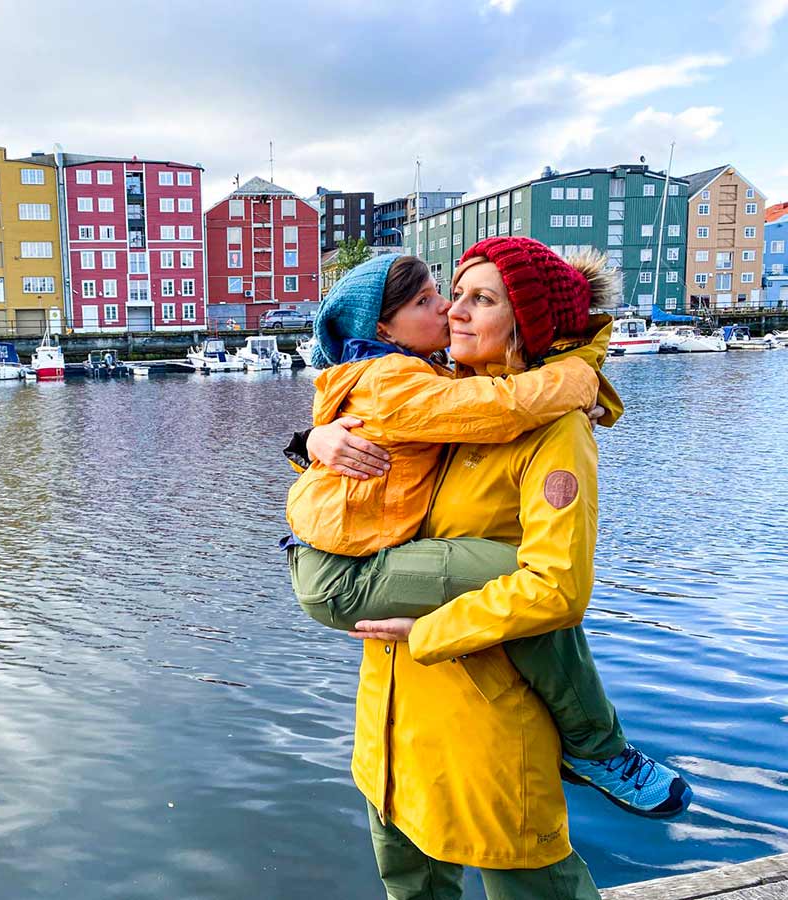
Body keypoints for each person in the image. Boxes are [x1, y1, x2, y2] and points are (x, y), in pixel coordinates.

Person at [290, 237, 688, 899]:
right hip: (393, 736)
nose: (453, 312)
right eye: (451, 297)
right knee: (412, 887)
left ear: (526, 321)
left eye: (480, 299)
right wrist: (311, 442)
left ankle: (599, 748)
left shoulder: (554, 430)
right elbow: (368, 481)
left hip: (487, 733)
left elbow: (554, 589)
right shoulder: (442, 395)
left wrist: (427, 636)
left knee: (532, 889)